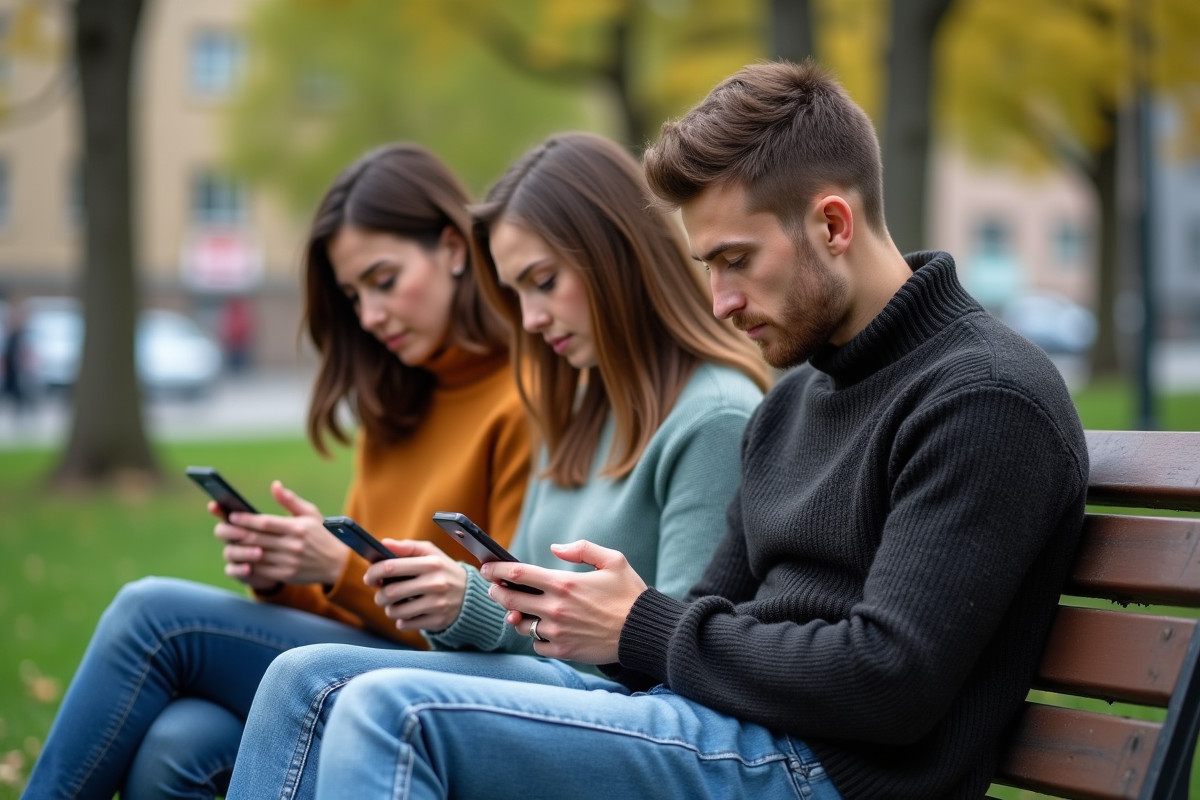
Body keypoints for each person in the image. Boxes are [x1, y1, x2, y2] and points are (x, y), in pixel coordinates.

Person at [308, 61, 1090, 800]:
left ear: (832, 224)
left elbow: (887, 678)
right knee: (322, 683)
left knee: (393, 715)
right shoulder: (791, 405)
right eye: (707, 266)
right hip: (727, 729)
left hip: (826, 771)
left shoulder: (984, 398)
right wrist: (618, 622)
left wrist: (639, 621)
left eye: (736, 260)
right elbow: (701, 615)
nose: (720, 300)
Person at [224, 131, 768, 800]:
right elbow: (537, 628)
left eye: (543, 283)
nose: (532, 320)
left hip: (633, 721)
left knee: (305, 679)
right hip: (564, 696)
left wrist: (471, 604)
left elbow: (684, 669)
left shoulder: (714, 415)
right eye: (516, 295)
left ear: (617, 257)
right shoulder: (576, 411)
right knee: (216, 723)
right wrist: (466, 603)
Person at [23, 143, 532, 800]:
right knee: (180, 741)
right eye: (353, 295)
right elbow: (362, 609)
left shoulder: (520, 400)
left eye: (385, 280)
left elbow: (506, 626)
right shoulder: (397, 402)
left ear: (453, 248)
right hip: (367, 660)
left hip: (461, 687)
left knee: (152, 613)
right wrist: (290, 577)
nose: (370, 316)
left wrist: (338, 569)